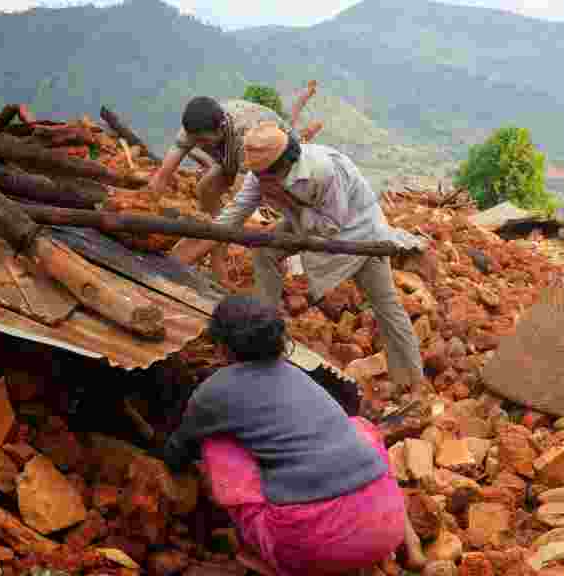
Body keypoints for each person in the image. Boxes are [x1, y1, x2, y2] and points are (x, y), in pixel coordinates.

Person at [162, 295, 426, 576]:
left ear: (222, 346)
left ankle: (265, 557)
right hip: (387, 522)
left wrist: (166, 458)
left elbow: (180, 448)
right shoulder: (298, 375)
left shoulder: (213, 392)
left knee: (216, 443)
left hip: (311, 546)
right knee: (360, 428)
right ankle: (411, 542)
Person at [171, 121, 429, 401]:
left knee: (386, 305)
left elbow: (331, 226)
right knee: (264, 251)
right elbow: (234, 214)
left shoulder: (322, 171)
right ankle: (262, 337)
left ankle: (413, 382)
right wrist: (185, 255)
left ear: (282, 168)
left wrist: (289, 202)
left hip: (359, 233)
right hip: (304, 222)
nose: (258, 181)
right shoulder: (262, 174)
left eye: (264, 177)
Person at [149, 97, 296, 284]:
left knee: (230, 219)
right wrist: (144, 208)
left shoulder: (247, 137)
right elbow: (163, 175)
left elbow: (240, 202)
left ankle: (227, 259)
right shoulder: (194, 129)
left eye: (203, 141)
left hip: (277, 163)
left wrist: (202, 243)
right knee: (205, 189)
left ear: (221, 128)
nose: (199, 145)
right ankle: (216, 249)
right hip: (232, 158)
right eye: (196, 140)